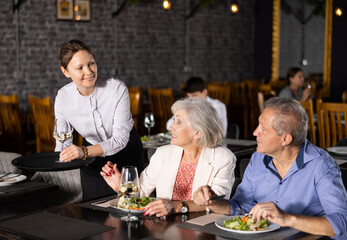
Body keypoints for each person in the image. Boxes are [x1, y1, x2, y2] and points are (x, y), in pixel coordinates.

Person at [193, 97, 347, 239]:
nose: (255, 132)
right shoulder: (258, 159)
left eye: (263, 129)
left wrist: (287, 218)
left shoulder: (321, 166)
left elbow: (340, 224)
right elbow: (241, 206)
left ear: (285, 139)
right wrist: (212, 202)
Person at [101, 98, 236, 217]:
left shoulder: (223, 158)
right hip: (165, 228)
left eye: (178, 122)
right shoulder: (163, 153)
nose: (171, 127)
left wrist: (178, 206)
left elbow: (218, 204)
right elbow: (140, 193)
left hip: (202, 229)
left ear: (198, 132)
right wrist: (120, 186)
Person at [55, 39, 144, 201]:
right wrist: (60, 159)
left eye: (91, 64)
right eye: (79, 68)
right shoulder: (62, 97)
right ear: (65, 71)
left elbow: (120, 139)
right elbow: (63, 140)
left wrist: (84, 152)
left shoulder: (116, 88)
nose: (89, 71)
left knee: (132, 206)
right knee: (94, 212)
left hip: (127, 154)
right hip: (91, 161)